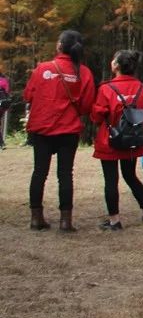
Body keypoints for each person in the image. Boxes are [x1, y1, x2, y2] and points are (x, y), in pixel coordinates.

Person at [23, 30, 97, 232]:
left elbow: (28, 95)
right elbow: (87, 105)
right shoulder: (84, 73)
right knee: (65, 174)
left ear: (59, 46)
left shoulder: (43, 68)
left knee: (39, 172)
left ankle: (36, 217)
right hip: (68, 129)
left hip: (41, 128)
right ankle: (66, 220)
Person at [91, 49, 143, 230]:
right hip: (132, 139)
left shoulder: (106, 88)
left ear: (117, 66)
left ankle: (115, 220)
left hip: (110, 140)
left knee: (111, 180)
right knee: (130, 175)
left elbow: (97, 115)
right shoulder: (142, 88)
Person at [0, 68, 11, 149]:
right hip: (3, 105)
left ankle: (2, 142)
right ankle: (2, 142)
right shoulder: (4, 80)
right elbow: (7, 91)